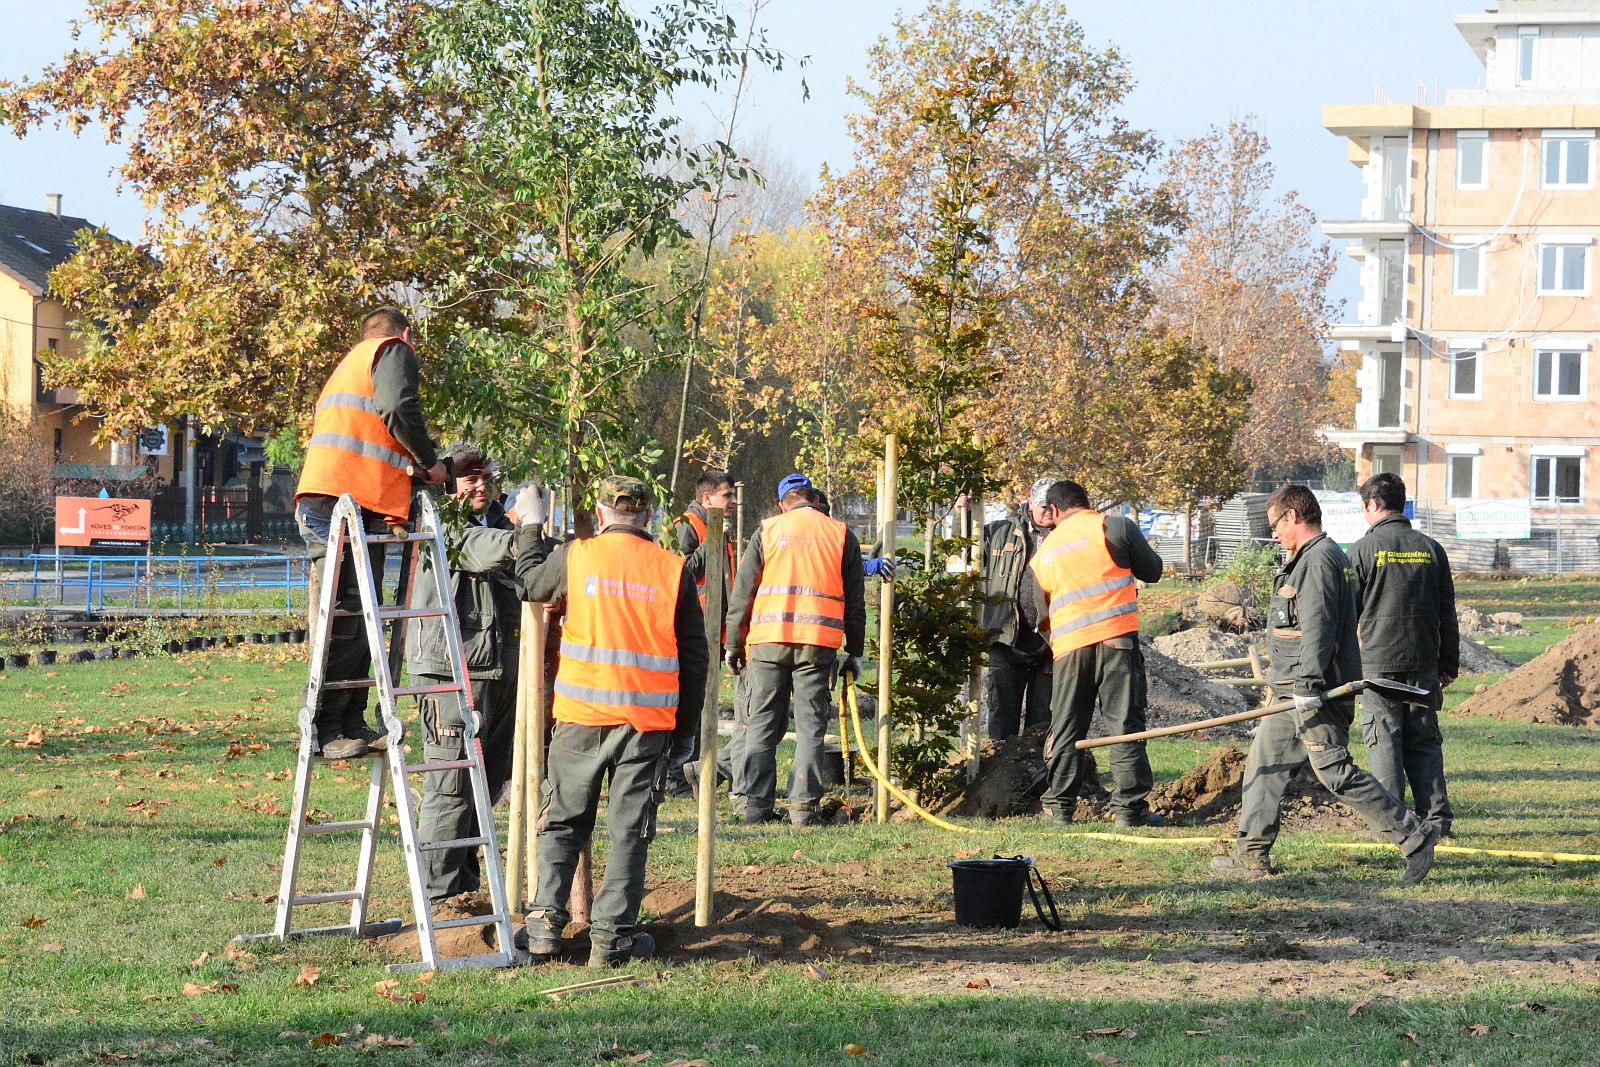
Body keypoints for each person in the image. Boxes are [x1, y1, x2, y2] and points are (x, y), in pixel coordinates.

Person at [515, 476, 708, 966]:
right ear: (648, 517)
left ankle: (543, 928)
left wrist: (531, 527)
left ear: (601, 513)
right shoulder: (672, 568)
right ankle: (612, 939)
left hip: (580, 717)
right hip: (646, 725)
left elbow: (529, 584)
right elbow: (694, 655)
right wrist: (686, 733)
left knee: (562, 820)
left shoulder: (577, 556)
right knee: (629, 830)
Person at [1212, 484, 1440, 884]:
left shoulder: (1319, 561)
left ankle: (1415, 838)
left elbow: (1319, 628)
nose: (1275, 534)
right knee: (1264, 764)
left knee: (1335, 772)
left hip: (1313, 692)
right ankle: (1249, 855)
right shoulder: (1307, 559)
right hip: (1289, 691)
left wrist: (1308, 686)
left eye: (1276, 525)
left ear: (1293, 517)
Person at [295, 306, 445, 760]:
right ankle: (323, 728)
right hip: (342, 503)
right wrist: (429, 459)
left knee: (359, 617)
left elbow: (376, 446)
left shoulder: (350, 366)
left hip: (346, 499)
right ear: (406, 332)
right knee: (347, 617)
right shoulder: (392, 350)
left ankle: (350, 720)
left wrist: (435, 471)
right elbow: (398, 407)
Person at [408, 445, 544, 905]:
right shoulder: (441, 523)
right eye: (468, 478)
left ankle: (463, 891)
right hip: (449, 670)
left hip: (494, 669)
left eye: (485, 476)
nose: (480, 484)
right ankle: (440, 898)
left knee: (484, 782)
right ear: (448, 485)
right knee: (451, 783)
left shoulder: (498, 524)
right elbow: (486, 553)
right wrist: (530, 530)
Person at [1021, 480, 1166, 828]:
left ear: (1053, 511)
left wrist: (1055, 638)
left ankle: (1059, 809)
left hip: (1070, 650)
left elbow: (1031, 608)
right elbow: (1154, 571)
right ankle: (1129, 812)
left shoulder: (1043, 553)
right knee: (1125, 725)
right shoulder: (1114, 527)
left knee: (1068, 726)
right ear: (1088, 503)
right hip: (1118, 643)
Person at [724, 473, 867, 826]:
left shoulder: (768, 530)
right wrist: (856, 651)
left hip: (768, 642)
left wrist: (733, 643)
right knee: (810, 728)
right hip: (817, 646)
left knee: (760, 725)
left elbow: (743, 593)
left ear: (782, 504)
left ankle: (755, 808)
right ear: (814, 500)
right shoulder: (839, 534)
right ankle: (803, 809)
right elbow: (855, 601)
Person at [1349, 473, 1458, 837]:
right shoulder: (1431, 548)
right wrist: (1448, 664)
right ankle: (1437, 821)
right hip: (1424, 663)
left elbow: (1347, 615)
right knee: (1424, 741)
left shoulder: (1362, 551)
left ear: (1373, 505)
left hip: (1378, 666)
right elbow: (1447, 612)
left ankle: (1391, 824)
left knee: (1384, 739)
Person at [979, 477, 1059, 740]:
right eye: (1041, 506)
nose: (1047, 511)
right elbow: (964, 548)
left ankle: (1038, 776)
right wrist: (962, 514)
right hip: (1006, 638)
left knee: (1042, 724)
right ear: (1029, 503)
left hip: (1050, 644)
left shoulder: (1067, 536)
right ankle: (1000, 777)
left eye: (1051, 506)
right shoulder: (1000, 531)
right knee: (1001, 722)